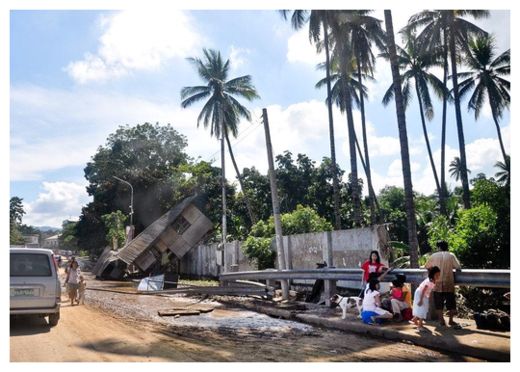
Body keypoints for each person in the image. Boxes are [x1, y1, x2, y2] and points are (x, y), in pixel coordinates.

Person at [425, 240, 462, 328]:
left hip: (437, 282)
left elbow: (427, 266)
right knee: (451, 303)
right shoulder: (451, 255)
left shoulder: (433, 256)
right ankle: (451, 320)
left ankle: (441, 320)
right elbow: (458, 266)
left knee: (438, 303)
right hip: (448, 282)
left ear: (439, 247)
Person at [412, 266, 441, 331]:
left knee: (422, 308)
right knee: (422, 309)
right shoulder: (429, 281)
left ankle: (415, 320)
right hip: (421, 294)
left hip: (423, 294)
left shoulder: (433, 280)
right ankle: (419, 326)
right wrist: (421, 300)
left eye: (439, 275)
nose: (438, 276)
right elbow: (423, 290)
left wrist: (427, 297)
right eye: (436, 275)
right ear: (433, 274)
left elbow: (428, 290)